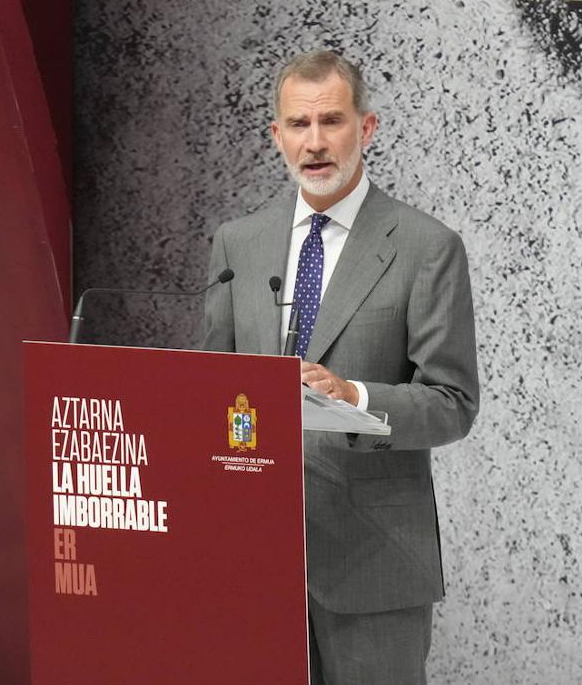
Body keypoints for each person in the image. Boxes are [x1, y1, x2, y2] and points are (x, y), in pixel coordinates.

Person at [201, 50, 479, 684]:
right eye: (299, 125)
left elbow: (452, 402)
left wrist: (351, 395)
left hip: (374, 563)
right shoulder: (236, 243)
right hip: (253, 562)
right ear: (277, 135)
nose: (316, 142)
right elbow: (210, 387)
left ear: (368, 127)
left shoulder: (426, 247)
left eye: (332, 121)